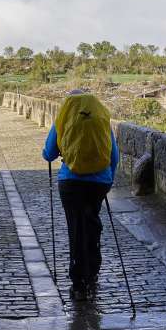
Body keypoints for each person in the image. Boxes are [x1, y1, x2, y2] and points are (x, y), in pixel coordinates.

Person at [42, 89, 119, 300]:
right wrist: (108, 179)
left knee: (76, 229)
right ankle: (93, 271)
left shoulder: (64, 118)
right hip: (99, 183)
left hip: (71, 182)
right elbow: (114, 155)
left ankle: (79, 284)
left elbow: (48, 153)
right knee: (92, 224)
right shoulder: (101, 120)